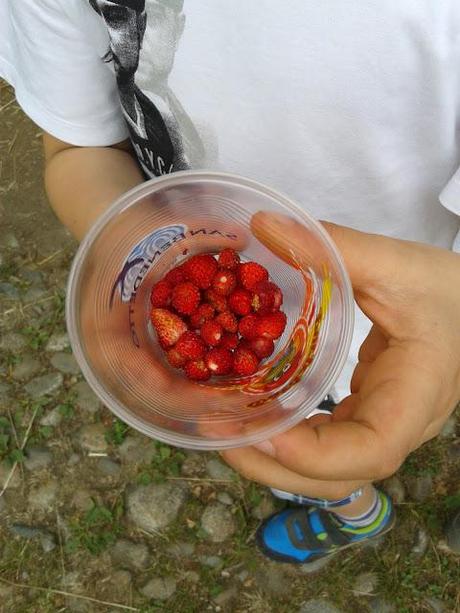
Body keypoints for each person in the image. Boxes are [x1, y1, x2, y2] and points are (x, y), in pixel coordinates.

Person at [1, 1, 459, 564]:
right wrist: (123, 248)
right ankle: (353, 509)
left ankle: (354, 512)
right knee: (297, 455)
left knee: (332, 443)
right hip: (265, 344)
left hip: (396, 325)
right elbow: (80, 146)